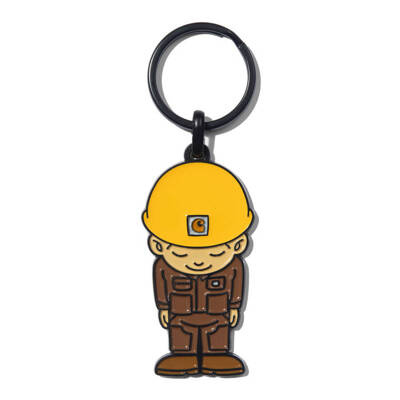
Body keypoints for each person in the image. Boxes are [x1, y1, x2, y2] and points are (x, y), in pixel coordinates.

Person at [142, 161, 253, 376]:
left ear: (239, 245)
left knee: (217, 333)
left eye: (215, 253)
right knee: (181, 333)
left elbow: (236, 284)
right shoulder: (163, 266)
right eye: (181, 254)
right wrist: (163, 307)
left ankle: (216, 356)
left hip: (217, 312)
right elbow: (161, 283)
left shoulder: (233, 266)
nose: (198, 262)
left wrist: (234, 307)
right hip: (180, 313)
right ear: (157, 245)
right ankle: (182, 355)